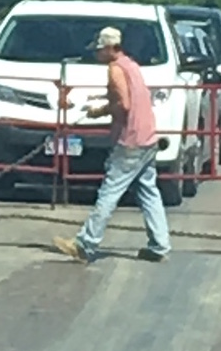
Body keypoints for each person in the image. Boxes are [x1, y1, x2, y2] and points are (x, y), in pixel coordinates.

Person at [54, 26, 171, 264]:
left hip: (130, 140)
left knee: (109, 192)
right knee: (148, 191)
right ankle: (160, 245)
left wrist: (101, 112)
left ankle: (86, 243)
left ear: (109, 48)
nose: (96, 55)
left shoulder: (115, 69)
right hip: (147, 136)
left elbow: (124, 105)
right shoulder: (132, 66)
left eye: (99, 50)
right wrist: (105, 107)